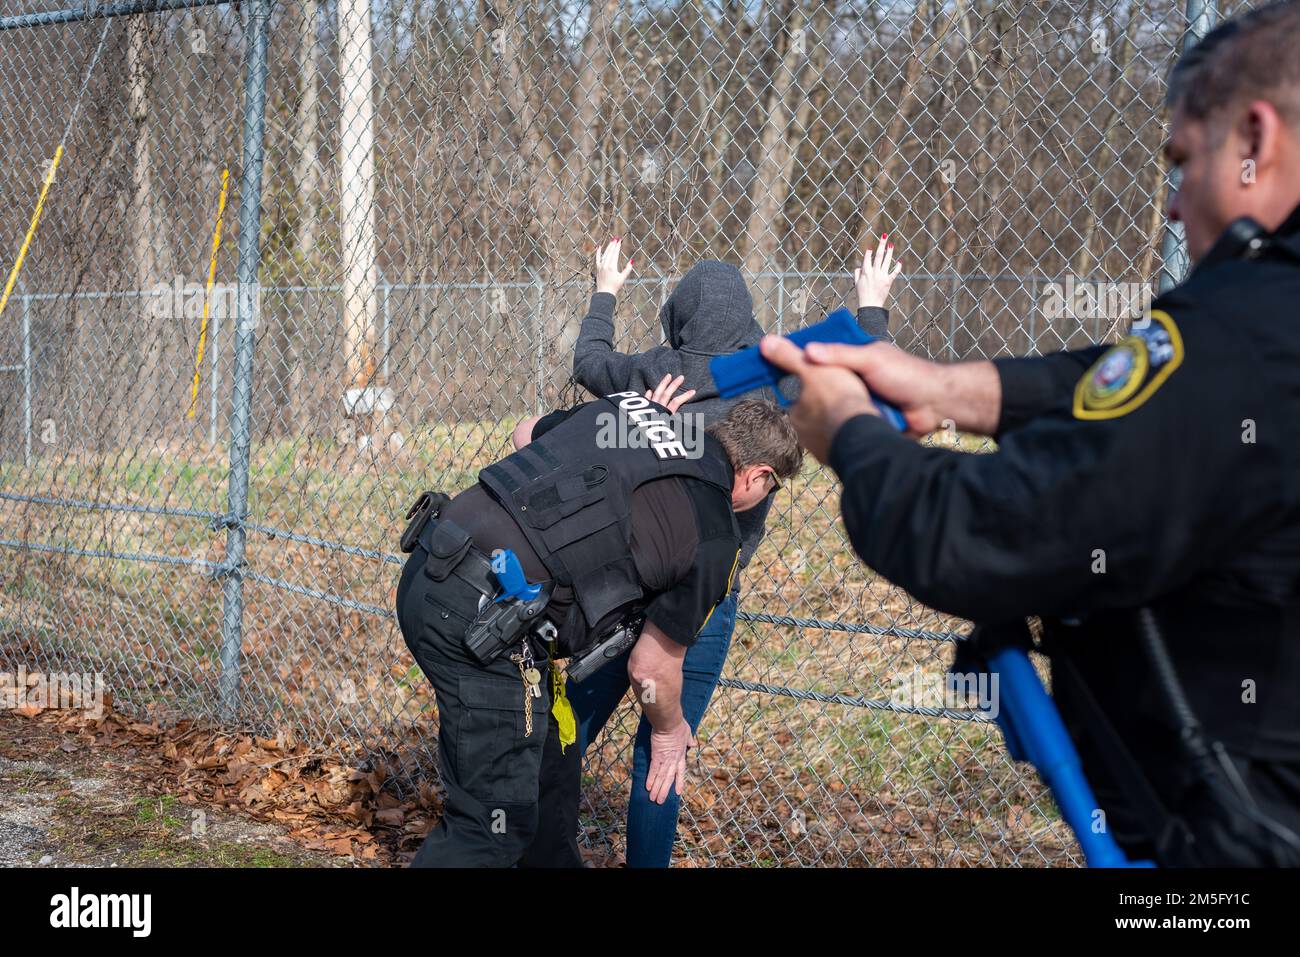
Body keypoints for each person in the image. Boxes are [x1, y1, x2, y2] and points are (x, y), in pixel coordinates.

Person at [759, 0, 1300, 866]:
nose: (1171, 205)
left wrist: (850, 432)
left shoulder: (1248, 333)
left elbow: (986, 532)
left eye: (1183, 161)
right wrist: (950, 389)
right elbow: (1156, 395)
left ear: (1256, 139)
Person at [517, 235, 898, 866]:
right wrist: (872, 305)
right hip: (704, 592)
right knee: (663, 746)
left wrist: (605, 291)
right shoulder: (773, 380)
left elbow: (589, 359)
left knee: (571, 721)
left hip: (629, 580)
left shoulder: (655, 371)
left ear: (678, 316)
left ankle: (532, 846)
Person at [394, 374, 803, 867]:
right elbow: (650, 672)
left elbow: (524, 433)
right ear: (757, 475)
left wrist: (636, 436)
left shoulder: (630, 411)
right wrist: (669, 730)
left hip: (432, 562)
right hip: (481, 622)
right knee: (494, 824)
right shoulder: (717, 536)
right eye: (773, 487)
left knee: (551, 765)